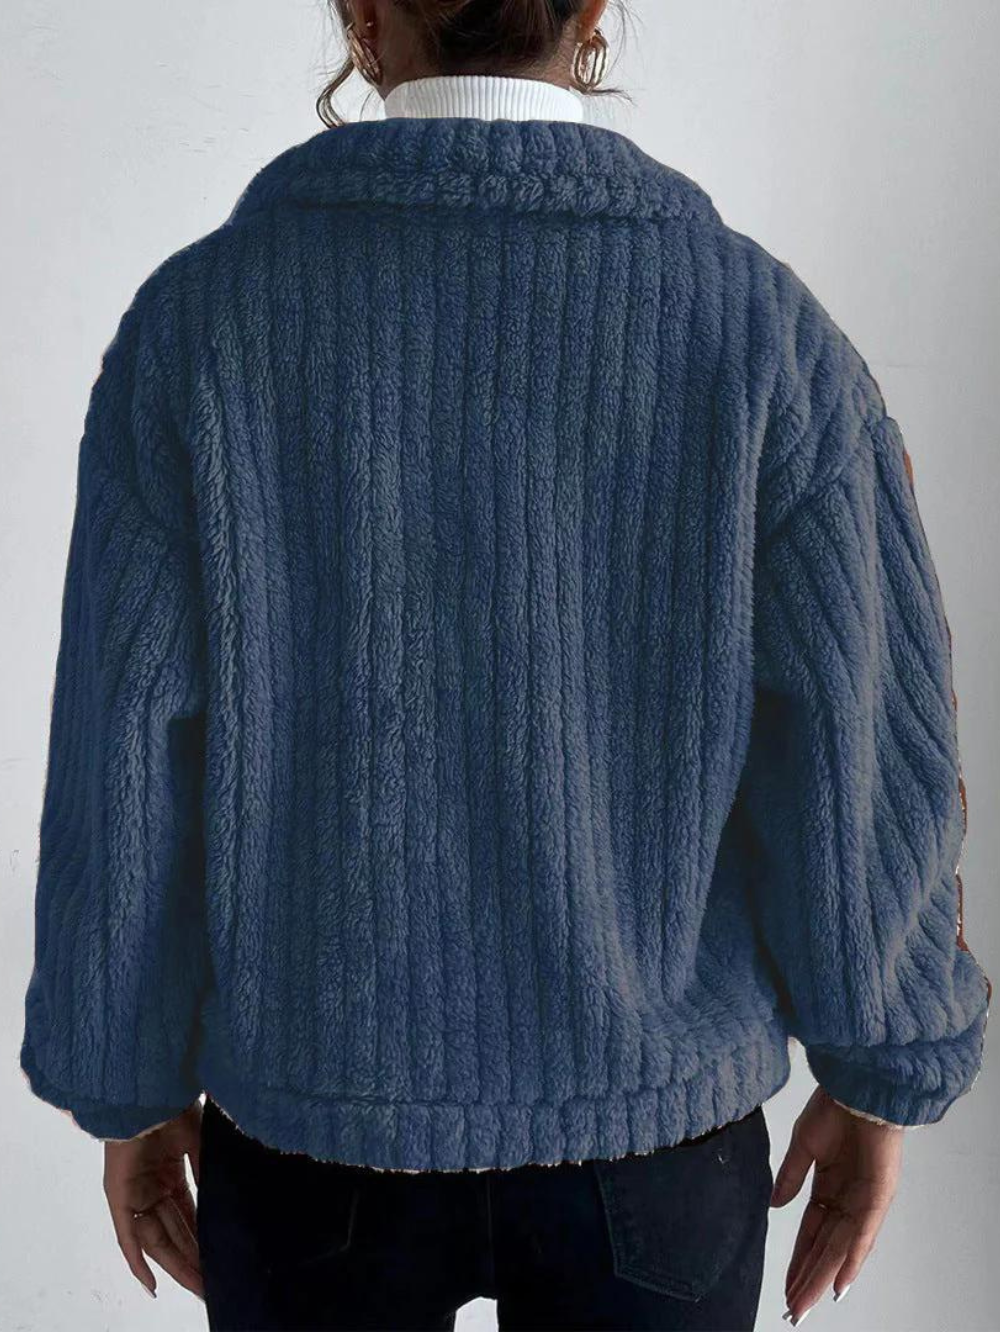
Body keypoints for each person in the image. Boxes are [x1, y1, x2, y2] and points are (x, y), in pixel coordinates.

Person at [20, 1, 991, 1329]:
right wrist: (884, 1061)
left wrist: (125, 1083)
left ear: (362, 15)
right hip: (659, 1148)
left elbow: (123, 744)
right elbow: (858, 740)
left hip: (311, 1141)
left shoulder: (199, 327)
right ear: (590, 13)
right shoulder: (759, 331)